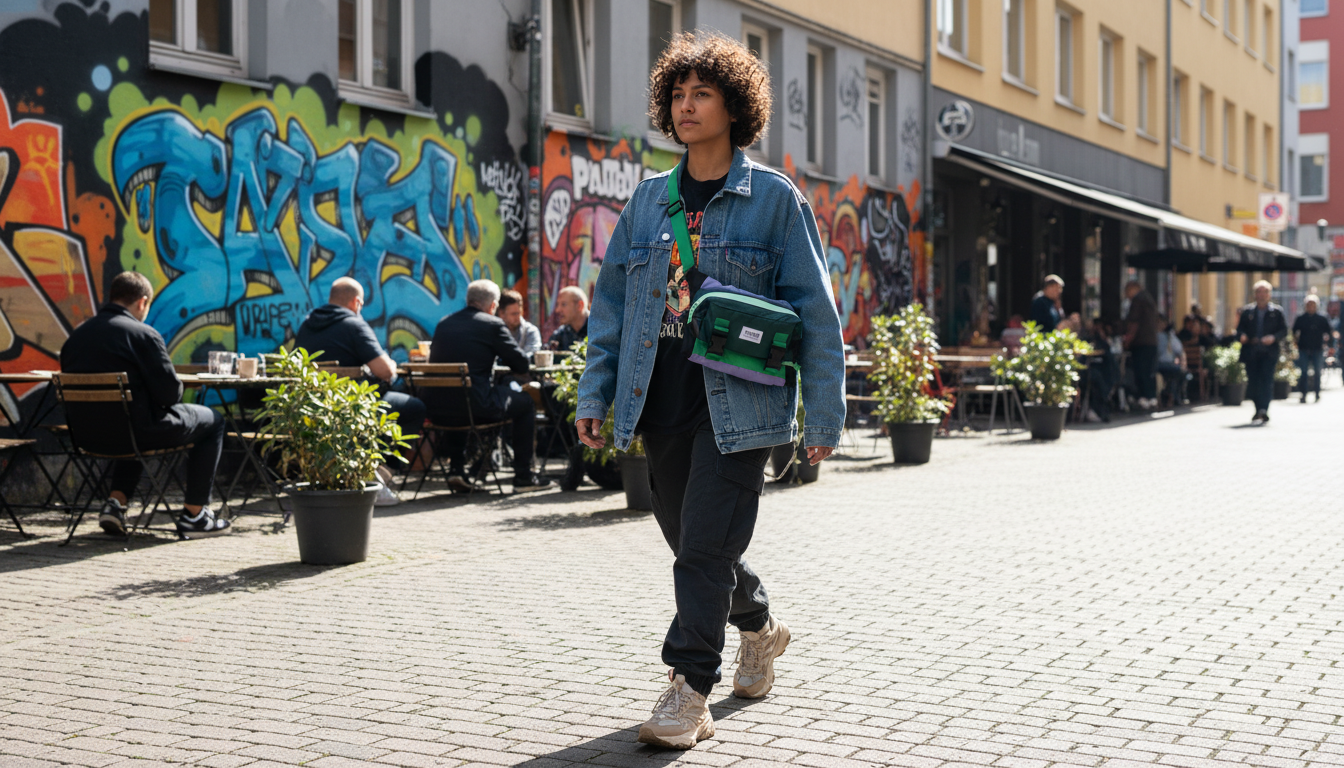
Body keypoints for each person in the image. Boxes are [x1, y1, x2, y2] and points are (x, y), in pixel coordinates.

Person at [573, 31, 845, 750]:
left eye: (703, 94)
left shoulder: (773, 201)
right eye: (678, 94)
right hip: (657, 394)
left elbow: (816, 312)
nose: (687, 106)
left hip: (740, 401)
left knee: (701, 553)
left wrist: (823, 411)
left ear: (735, 106)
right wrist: (595, 395)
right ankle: (759, 627)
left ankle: (689, 687)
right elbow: (612, 310)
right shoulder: (649, 201)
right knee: (695, 544)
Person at [59, 271, 229, 537]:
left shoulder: (76, 338)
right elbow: (170, 396)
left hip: (87, 438)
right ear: (142, 302)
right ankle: (195, 516)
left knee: (132, 417)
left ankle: (116, 504)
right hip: (137, 434)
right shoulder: (142, 335)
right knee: (214, 421)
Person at [295, 277, 427, 506]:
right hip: (354, 408)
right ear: (356, 302)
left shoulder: (307, 324)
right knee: (414, 407)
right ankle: (379, 476)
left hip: (315, 409)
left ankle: (365, 473)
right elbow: (385, 371)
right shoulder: (353, 324)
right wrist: (392, 365)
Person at [425, 280, 554, 490]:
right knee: (524, 403)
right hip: (474, 409)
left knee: (457, 393)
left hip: (436, 409)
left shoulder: (444, 323)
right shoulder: (492, 324)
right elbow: (521, 363)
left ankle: (456, 469)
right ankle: (524, 477)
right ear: (493, 306)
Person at [1236, 280, 1288, 424]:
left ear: (1269, 294)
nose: (1262, 295)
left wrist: (1273, 337)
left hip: (1269, 352)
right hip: (1251, 352)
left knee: (1266, 381)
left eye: (1265, 292)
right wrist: (1242, 336)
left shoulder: (1276, 312)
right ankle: (1258, 409)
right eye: (1259, 292)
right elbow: (1239, 330)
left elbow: (1284, 331)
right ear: (1255, 294)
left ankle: (1263, 410)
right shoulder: (1247, 312)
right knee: (1253, 382)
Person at [1123, 281, 1160, 410]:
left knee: (1141, 370)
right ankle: (1151, 397)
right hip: (1151, 341)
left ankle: (1144, 397)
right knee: (1149, 370)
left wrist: (1127, 340)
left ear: (1133, 289)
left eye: (1127, 291)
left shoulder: (1138, 300)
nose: (1126, 295)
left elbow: (1134, 322)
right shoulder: (1149, 300)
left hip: (1141, 342)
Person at [1293, 294, 1332, 403]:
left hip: (1318, 348)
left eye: (1313, 304)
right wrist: (1295, 343)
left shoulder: (1322, 318)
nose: (1310, 307)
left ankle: (1317, 393)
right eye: (1308, 304)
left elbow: (1329, 332)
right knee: (1304, 372)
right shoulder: (1301, 318)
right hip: (1304, 348)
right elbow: (1294, 332)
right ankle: (1304, 394)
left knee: (1317, 372)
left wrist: (1329, 346)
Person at [498, 289, 541, 357]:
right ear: (502, 314)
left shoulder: (530, 331)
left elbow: (530, 354)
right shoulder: (494, 332)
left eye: (519, 313)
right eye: (514, 314)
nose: (518, 317)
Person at [1155, 315, 1187, 406]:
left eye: (1161, 323)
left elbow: (1179, 349)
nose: (1159, 325)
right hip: (1158, 364)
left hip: (1168, 364)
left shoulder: (1169, 336)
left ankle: (1172, 395)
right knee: (1177, 373)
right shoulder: (1154, 335)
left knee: (1180, 373)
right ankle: (1171, 395)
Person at [548, 285, 589, 352]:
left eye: (563, 304)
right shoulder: (559, 335)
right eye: (557, 304)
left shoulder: (599, 330)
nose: (557, 310)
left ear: (579, 306)